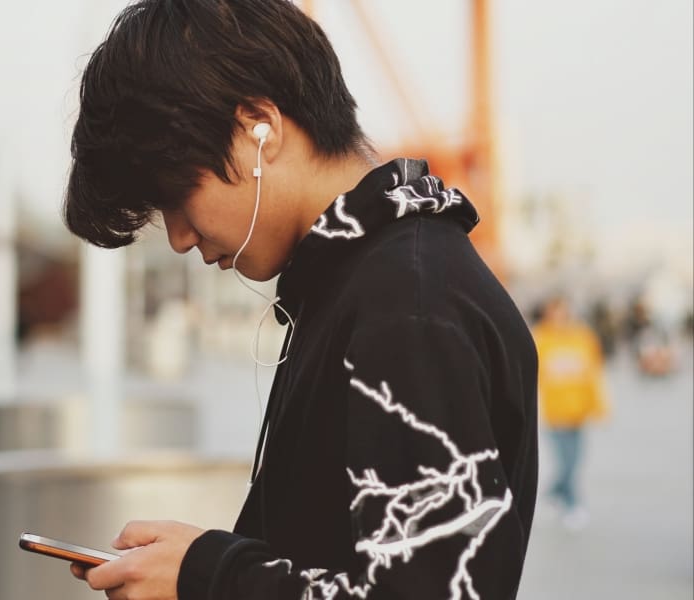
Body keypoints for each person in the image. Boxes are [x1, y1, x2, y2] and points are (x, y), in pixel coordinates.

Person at [62, 1, 538, 598]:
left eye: (178, 194)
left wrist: (208, 575)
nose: (180, 236)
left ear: (260, 126)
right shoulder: (359, 279)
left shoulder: (407, 305)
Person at [533, 295, 607, 530]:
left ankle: (554, 491)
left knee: (576, 459)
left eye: (563, 311)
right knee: (567, 461)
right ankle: (572, 504)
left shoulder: (583, 337)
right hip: (555, 411)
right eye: (555, 312)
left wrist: (598, 405)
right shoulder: (541, 338)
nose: (560, 317)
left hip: (578, 410)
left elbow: (593, 372)